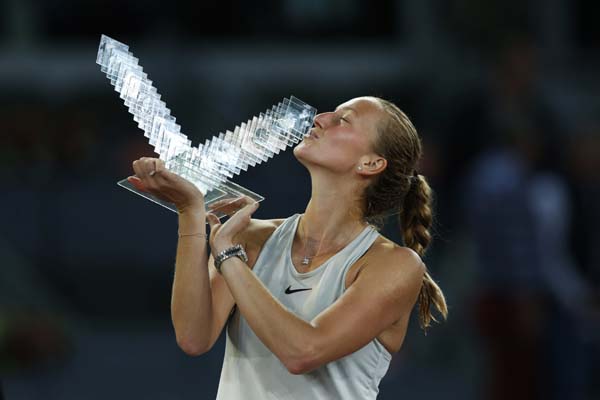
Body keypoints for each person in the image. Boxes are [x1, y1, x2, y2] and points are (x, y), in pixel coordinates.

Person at [128, 96, 447, 399]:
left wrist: (229, 257)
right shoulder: (251, 237)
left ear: (371, 162)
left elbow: (303, 352)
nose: (321, 119)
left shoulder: (394, 265)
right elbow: (193, 337)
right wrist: (190, 212)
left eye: (343, 120)